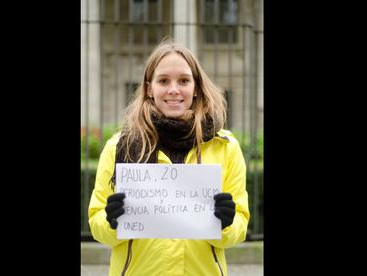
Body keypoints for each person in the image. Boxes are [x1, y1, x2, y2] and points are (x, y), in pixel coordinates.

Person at [88, 38, 249, 276]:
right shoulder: (117, 147)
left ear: (195, 88)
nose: (174, 89)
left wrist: (227, 223)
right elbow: (96, 221)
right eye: (163, 81)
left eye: (184, 80)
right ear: (149, 89)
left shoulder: (226, 147)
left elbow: (240, 226)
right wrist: (111, 222)